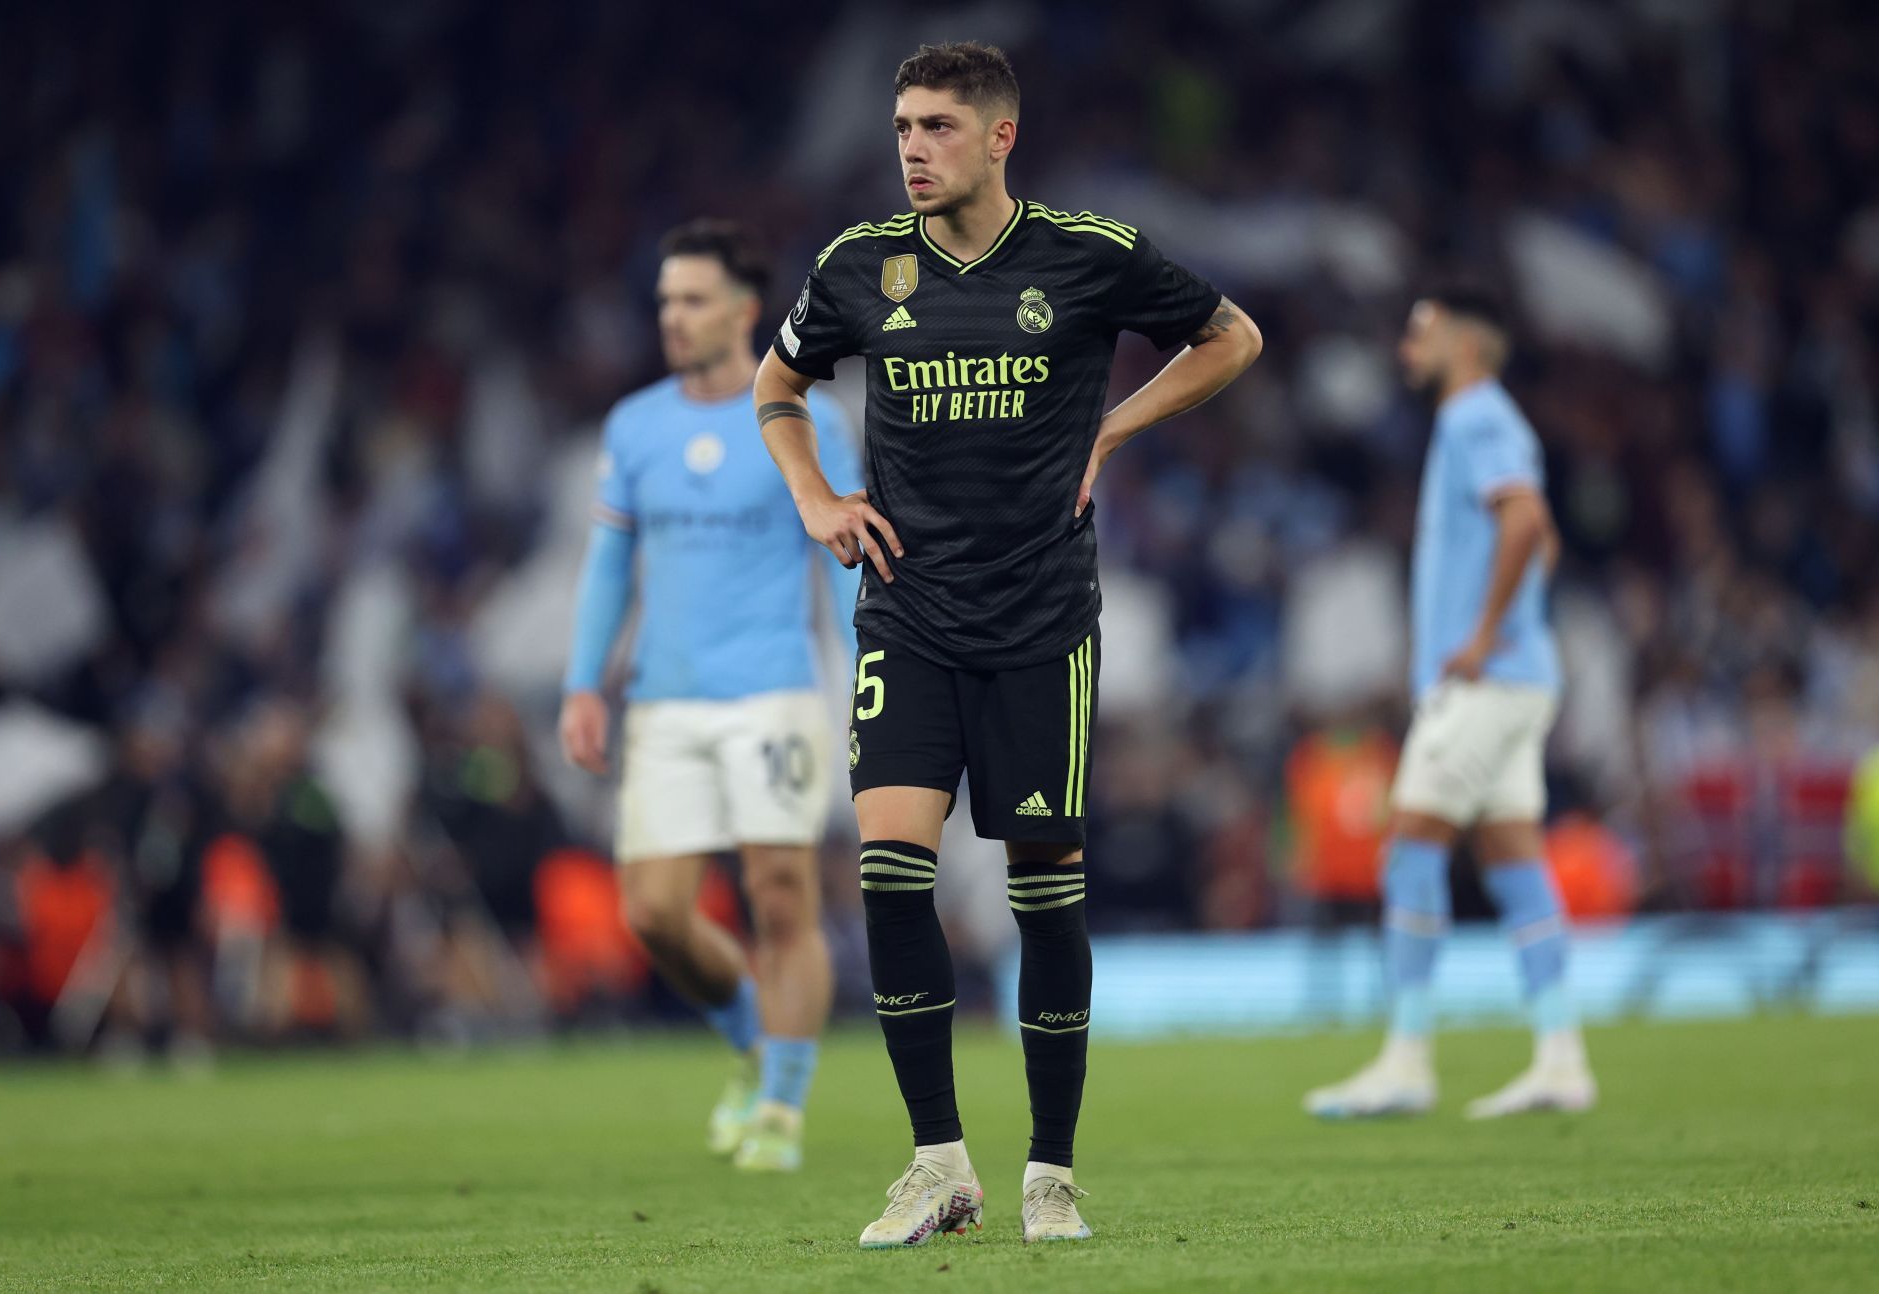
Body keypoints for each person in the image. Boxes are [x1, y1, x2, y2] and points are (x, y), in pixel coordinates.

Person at [755, 42, 1261, 1246]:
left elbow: (1232, 335)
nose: (912, 149)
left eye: (935, 126)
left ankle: (1050, 1172)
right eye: (902, 128)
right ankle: (938, 1162)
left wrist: (1113, 430)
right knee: (889, 871)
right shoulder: (860, 266)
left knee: (1044, 893)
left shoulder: (1087, 256)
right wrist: (817, 497)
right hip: (908, 612)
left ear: (999, 137)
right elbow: (776, 381)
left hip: (1040, 623)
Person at [559, 219, 861, 1173]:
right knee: (652, 913)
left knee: (781, 897)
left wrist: (870, 674)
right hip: (665, 703)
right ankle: (751, 1040)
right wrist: (582, 683)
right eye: (664, 301)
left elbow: (847, 555)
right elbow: (610, 565)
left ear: (744, 310)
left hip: (772, 692)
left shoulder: (807, 417)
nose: (671, 318)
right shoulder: (636, 425)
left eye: (690, 300)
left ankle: (780, 1108)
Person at [1303, 289, 1596, 1120]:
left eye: (1419, 330)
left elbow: (1528, 519)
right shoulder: (1490, 418)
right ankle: (1561, 1057)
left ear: (1465, 342)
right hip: (1520, 678)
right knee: (1513, 857)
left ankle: (1406, 1058)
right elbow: (1542, 534)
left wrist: (1481, 633)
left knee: (1410, 844)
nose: (1406, 346)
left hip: (1485, 679)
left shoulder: (1475, 415)